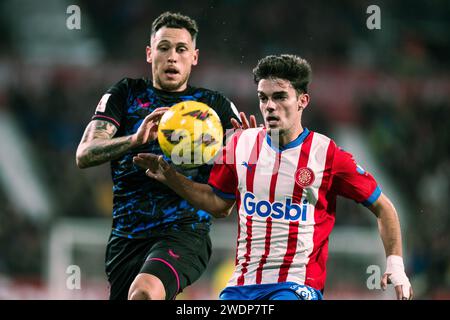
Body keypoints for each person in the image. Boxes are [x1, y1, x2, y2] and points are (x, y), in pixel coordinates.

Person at [133, 54, 413, 300]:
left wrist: (395, 265)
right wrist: (171, 177)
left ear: (303, 100)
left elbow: (383, 207)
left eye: (279, 97)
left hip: (296, 287)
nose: (269, 106)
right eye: (263, 98)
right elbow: (218, 204)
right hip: (240, 286)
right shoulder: (239, 143)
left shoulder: (327, 154)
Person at [75, 11, 243, 300]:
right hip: (126, 238)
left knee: (144, 293)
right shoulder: (125, 94)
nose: (172, 57)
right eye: (164, 48)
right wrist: (133, 140)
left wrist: (253, 149)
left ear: (194, 57)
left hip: (185, 232)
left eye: (181, 49)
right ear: (150, 54)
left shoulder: (213, 106)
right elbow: (85, 154)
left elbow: (232, 188)